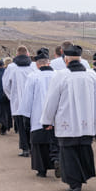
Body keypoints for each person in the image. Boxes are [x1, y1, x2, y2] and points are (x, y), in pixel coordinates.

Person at [41, 44, 96, 191]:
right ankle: (82, 177)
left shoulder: (60, 76)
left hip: (67, 123)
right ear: (80, 59)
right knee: (84, 150)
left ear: (65, 59)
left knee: (69, 153)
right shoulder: (92, 75)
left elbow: (51, 100)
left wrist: (47, 121)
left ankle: (74, 183)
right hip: (87, 123)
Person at [21, 49, 60, 177]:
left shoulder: (33, 76)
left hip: (38, 116)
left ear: (37, 64)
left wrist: (26, 116)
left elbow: (27, 98)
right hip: (56, 117)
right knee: (55, 141)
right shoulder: (58, 75)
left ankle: (41, 169)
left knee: (39, 143)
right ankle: (56, 161)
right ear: (49, 63)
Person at [3, 46, 36, 157]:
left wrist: (11, 97)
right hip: (32, 102)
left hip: (17, 102)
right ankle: (33, 148)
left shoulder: (12, 67)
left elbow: (6, 85)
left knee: (21, 127)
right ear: (27, 54)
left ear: (16, 55)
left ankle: (25, 148)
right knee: (31, 126)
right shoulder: (33, 66)